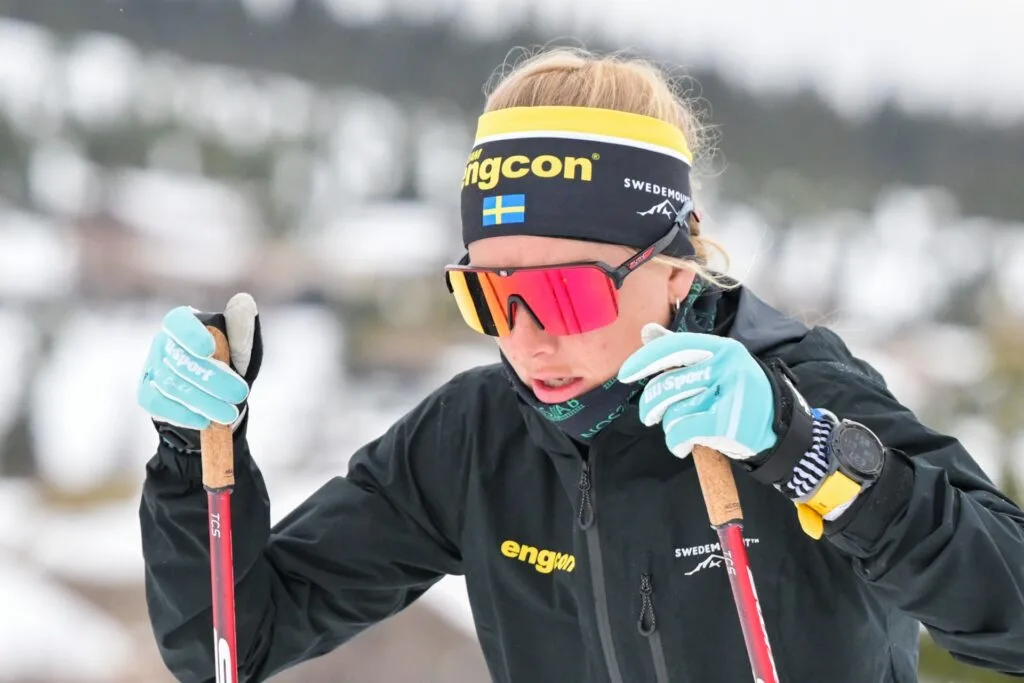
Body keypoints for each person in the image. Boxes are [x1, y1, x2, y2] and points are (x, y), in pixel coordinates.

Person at [137, 47, 1024, 683]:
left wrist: (807, 453)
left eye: (566, 294)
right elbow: (231, 641)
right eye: (487, 295)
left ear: (673, 266)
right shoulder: (477, 438)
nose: (525, 338)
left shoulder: (797, 394)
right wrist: (190, 460)